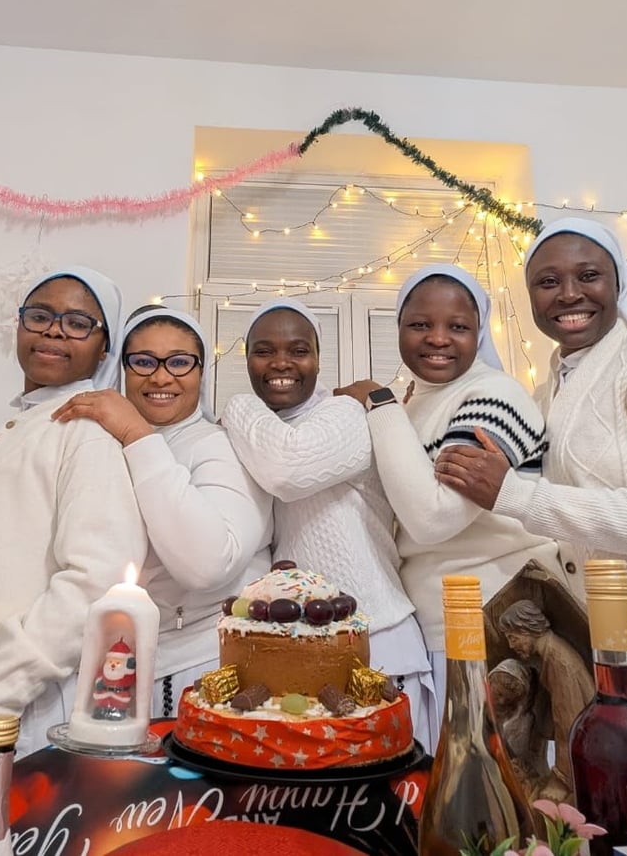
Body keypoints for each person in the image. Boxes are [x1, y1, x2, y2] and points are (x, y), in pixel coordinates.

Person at [0, 266, 148, 755]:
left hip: (22, 704)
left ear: (105, 346)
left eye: (78, 322)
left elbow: (95, 580)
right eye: (39, 315)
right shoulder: (18, 423)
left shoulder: (87, 430)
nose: (54, 329)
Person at [335, 265, 558, 710]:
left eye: (458, 327)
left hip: (495, 626)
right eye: (420, 324)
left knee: (485, 773)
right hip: (437, 626)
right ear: (398, 327)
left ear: (479, 333)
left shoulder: (494, 395)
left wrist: (377, 400)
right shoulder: (412, 405)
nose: (438, 338)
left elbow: (433, 518)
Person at [219, 297, 436, 753]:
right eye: (264, 350)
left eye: (298, 350)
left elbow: (288, 470)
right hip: (296, 650)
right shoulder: (265, 429)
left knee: (390, 798)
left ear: (319, 359)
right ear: (246, 358)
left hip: (377, 639)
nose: (281, 362)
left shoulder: (344, 415)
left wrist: (236, 404)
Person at [51, 306, 273, 716]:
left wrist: (137, 435)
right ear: (123, 369)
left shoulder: (220, 445)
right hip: (114, 668)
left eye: (179, 362)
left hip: (204, 671)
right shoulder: (99, 443)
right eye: (143, 361)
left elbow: (207, 565)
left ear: (201, 371)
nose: (160, 376)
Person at [436, 218, 627, 601]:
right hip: (586, 636)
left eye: (589, 275)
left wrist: (514, 495)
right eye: (548, 282)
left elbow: (524, 500)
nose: (569, 295)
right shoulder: (544, 395)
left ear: (618, 283)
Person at [498, 599, 595, 799]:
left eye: (513, 638)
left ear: (526, 629)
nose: (511, 645)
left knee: (541, 803)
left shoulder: (559, 663)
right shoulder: (551, 655)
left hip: (584, 755)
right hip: (581, 749)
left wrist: (561, 781)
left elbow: (568, 726)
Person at [488, 658, 550, 799]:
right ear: (489, 683)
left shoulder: (524, 721)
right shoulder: (478, 712)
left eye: (509, 700)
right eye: (499, 694)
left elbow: (527, 760)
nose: (502, 701)